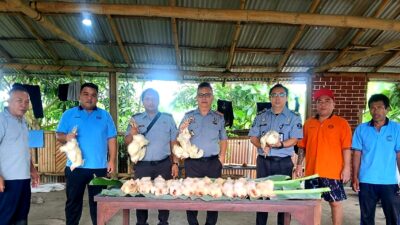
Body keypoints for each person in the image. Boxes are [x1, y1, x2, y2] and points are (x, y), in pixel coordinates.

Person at [56, 82, 117, 225]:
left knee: (99, 203)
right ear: (79, 96)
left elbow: (112, 139)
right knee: (73, 203)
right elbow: (58, 135)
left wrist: (112, 160)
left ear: (97, 98)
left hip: (98, 168)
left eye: (93, 95)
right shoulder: (69, 114)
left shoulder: (105, 115)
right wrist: (66, 137)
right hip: (74, 168)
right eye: (86, 94)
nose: (90, 98)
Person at [248, 83, 303, 225]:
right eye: (274, 95)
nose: (277, 98)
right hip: (264, 161)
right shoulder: (261, 116)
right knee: (261, 195)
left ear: (286, 98)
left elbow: (295, 139)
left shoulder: (294, 117)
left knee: (283, 198)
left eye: (281, 95)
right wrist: (261, 144)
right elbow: (253, 137)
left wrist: (281, 144)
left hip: (283, 162)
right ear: (270, 98)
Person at [295, 88, 352, 225]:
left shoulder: (342, 123)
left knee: (335, 203)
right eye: (319, 101)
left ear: (333, 104)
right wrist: (298, 165)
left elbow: (346, 148)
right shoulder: (308, 123)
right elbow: (302, 146)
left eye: (327, 101)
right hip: (312, 173)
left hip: (333, 172)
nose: (323, 104)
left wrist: (347, 168)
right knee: (314, 204)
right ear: (316, 105)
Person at [124, 88, 179, 225]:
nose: (151, 101)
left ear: (158, 100)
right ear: (143, 101)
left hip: (164, 164)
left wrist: (175, 163)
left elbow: (174, 143)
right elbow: (127, 142)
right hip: (143, 166)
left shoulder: (168, 118)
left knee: (164, 194)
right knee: (141, 196)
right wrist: (133, 133)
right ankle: (141, 222)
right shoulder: (135, 119)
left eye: (154, 98)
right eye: (147, 98)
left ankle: (163, 222)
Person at [179, 82, 227, 225]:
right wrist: (182, 130)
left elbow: (223, 139)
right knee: (191, 195)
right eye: (201, 95)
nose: (204, 98)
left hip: (213, 163)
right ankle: (193, 223)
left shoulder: (218, 117)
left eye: (207, 94)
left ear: (212, 97)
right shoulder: (188, 117)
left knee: (213, 195)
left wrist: (222, 158)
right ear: (196, 98)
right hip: (192, 163)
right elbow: (180, 137)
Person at [352, 93, 400, 225]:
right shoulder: (361, 129)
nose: (376, 111)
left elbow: (399, 155)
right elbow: (357, 154)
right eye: (372, 107)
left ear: (387, 109)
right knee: (366, 218)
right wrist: (355, 176)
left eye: (380, 107)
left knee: (394, 218)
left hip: (389, 181)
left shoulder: (397, 128)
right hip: (366, 180)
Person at [0, 85, 40, 225]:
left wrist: (32, 170)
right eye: (19, 100)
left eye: (27, 101)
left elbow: (23, 149)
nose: (24, 105)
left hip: (23, 179)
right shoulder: (2, 120)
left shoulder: (22, 121)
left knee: (22, 218)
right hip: (7, 181)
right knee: (5, 218)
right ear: (8, 101)